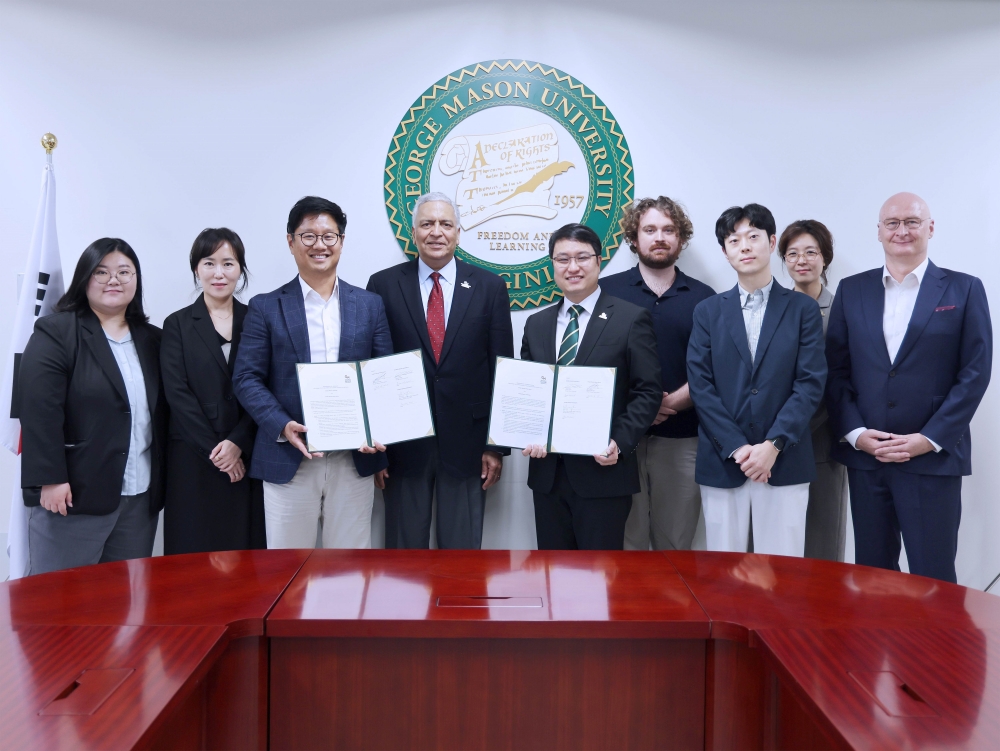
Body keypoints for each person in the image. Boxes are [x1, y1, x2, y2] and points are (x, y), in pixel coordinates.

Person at [826, 192, 992, 583]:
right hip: (868, 458)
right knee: (872, 576)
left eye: (912, 221)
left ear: (930, 228)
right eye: (893, 223)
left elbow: (975, 372)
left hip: (932, 459)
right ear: (879, 232)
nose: (902, 230)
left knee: (933, 577)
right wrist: (856, 433)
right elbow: (835, 370)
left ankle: (937, 634)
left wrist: (930, 439)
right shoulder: (852, 290)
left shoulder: (964, 289)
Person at [233, 197, 392, 549]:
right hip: (290, 458)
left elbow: (383, 376)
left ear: (341, 241)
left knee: (349, 569)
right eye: (308, 236)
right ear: (291, 242)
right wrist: (281, 425)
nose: (320, 245)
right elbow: (246, 378)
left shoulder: (369, 305)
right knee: (288, 570)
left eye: (329, 236)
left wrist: (378, 429)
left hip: (354, 460)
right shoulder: (265, 307)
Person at [366, 192, 514, 549]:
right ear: (413, 232)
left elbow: (502, 369)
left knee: (461, 560)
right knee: (403, 560)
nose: (436, 232)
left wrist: (496, 446)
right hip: (401, 446)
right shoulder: (382, 285)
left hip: (469, 445)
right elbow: (374, 370)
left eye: (446, 224)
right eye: (427, 224)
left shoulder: (489, 287)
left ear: (458, 233)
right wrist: (377, 451)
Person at [18, 238, 167, 575]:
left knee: (124, 599)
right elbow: (39, 410)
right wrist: (50, 478)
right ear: (84, 278)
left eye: (124, 272)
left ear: (136, 280)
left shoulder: (154, 340)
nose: (113, 280)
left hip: (138, 497)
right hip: (72, 497)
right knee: (59, 599)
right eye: (101, 272)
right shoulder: (57, 332)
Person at [687, 204, 826, 556]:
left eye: (753, 236)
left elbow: (809, 383)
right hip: (724, 459)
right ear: (725, 252)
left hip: (785, 459)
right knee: (724, 570)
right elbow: (701, 386)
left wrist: (773, 445)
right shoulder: (708, 311)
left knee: (783, 570)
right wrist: (738, 448)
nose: (745, 246)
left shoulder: (803, 310)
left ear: (771, 242)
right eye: (734, 240)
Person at [521, 223, 661, 550]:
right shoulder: (536, 324)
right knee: (552, 572)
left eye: (582, 257)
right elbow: (530, 392)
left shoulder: (630, 319)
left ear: (598, 261)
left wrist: (619, 442)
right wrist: (528, 431)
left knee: (600, 576)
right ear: (552, 265)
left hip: (604, 473)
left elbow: (648, 391)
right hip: (548, 476)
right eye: (562, 259)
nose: (572, 267)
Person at [600, 196, 715, 551]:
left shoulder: (704, 298)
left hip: (683, 437)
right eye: (649, 229)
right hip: (619, 439)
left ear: (681, 238)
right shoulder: (606, 292)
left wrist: (673, 402)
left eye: (669, 230)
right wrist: (640, 411)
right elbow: (595, 362)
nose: (660, 237)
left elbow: (715, 367)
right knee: (625, 544)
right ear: (634, 238)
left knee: (675, 544)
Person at [161, 228, 266, 554]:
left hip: (248, 454)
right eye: (209, 263)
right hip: (193, 458)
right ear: (197, 269)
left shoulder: (258, 318)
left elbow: (267, 387)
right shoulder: (177, 324)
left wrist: (238, 443)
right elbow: (177, 394)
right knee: (192, 553)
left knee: (245, 554)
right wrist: (218, 452)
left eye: (228, 263)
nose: (219, 273)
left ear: (240, 269)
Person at [777, 219, 849, 562]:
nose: (801, 260)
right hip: (773, 443)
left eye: (811, 252)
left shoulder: (843, 311)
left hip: (823, 442)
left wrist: (796, 428)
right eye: (792, 254)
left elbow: (844, 379)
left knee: (823, 542)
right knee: (774, 548)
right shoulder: (772, 309)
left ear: (825, 258)